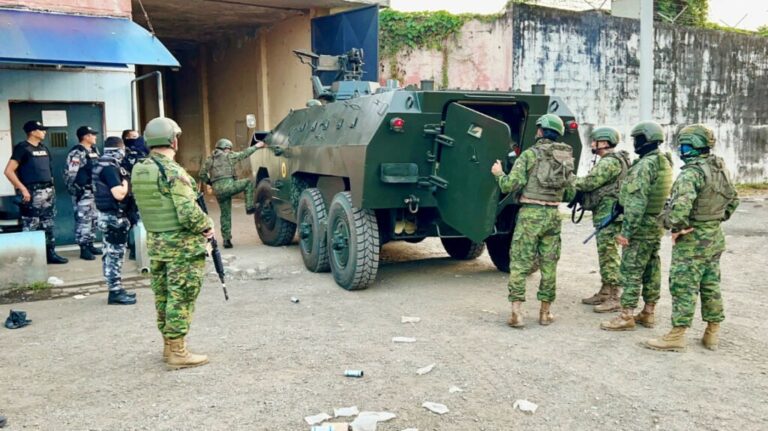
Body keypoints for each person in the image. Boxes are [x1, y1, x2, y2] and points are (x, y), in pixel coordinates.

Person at [645, 124, 739, 352]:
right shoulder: (719, 168)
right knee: (710, 284)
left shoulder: (691, 173)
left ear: (694, 146)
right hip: (714, 236)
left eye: (685, 145)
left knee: (683, 286)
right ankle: (712, 333)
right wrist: (714, 220)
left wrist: (674, 226)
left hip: (693, 241)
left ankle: (677, 335)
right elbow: (733, 200)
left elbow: (678, 212)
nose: (682, 149)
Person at [132, 117, 214, 369]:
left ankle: (168, 346)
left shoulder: (141, 168)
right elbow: (188, 213)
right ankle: (178, 352)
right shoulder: (174, 172)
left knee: (164, 295)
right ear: (173, 140)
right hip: (182, 247)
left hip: (156, 243)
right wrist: (207, 226)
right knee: (182, 296)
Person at [491, 114, 574, 328]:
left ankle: (517, 314)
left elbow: (511, 184)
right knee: (549, 264)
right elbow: (570, 192)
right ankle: (545, 313)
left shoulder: (530, 155)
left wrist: (499, 174)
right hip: (554, 215)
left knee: (519, 262)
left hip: (530, 214)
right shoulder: (565, 157)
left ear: (540, 131)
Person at [601, 121, 672, 331]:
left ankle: (626, 316)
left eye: (637, 138)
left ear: (645, 139)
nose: (635, 143)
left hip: (640, 225)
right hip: (655, 223)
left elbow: (636, 201)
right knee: (651, 267)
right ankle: (648, 312)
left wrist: (626, 231)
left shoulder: (644, 165)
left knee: (631, 269)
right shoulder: (663, 161)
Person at [571, 127, 631, 312]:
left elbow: (589, 183)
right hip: (608, 214)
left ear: (604, 143)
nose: (592, 144)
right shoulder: (616, 160)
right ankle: (605, 291)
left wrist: (570, 179)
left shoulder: (609, 162)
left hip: (609, 216)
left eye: (594, 141)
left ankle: (615, 296)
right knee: (605, 254)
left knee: (609, 256)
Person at [3, 120, 67, 264]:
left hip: (48, 192)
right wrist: (22, 188)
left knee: (48, 224)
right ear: (32, 132)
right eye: (41, 129)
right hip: (32, 192)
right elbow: (8, 171)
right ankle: (30, 259)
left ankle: (50, 254)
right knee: (31, 224)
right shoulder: (22, 148)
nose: (44, 132)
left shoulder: (44, 148)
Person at [93, 136, 138, 305]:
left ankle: (117, 288)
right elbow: (118, 193)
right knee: (114, 255)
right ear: (118, 150)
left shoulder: (101, 163)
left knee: (111, 254)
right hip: (113, 217)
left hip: (109, 215)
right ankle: (115, 292)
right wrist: (126, 181)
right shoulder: (110, 168)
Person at [199, 138, 264, 248]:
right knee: (248, 183)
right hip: (229, 186)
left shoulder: (210, 159)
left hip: (218, 191)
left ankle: (226, 240)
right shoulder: (229, 156)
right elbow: (244, 154)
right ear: (225, 148)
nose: (230, 150)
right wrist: (257, 146)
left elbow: (202, 174)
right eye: (229, 149)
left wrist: (210, 182)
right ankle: (249, 207)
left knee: (225, 214)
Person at [65, 126, 102, 260]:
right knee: (83, 220)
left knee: (93, 219)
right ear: (86, 137)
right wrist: (76, 191)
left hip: (94, 192)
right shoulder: (77, 152)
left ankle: (90, 243)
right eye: (92, 135)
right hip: (83, 192)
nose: (95, 137)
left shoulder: (93, 150)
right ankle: (83, 248)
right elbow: (70, 174)